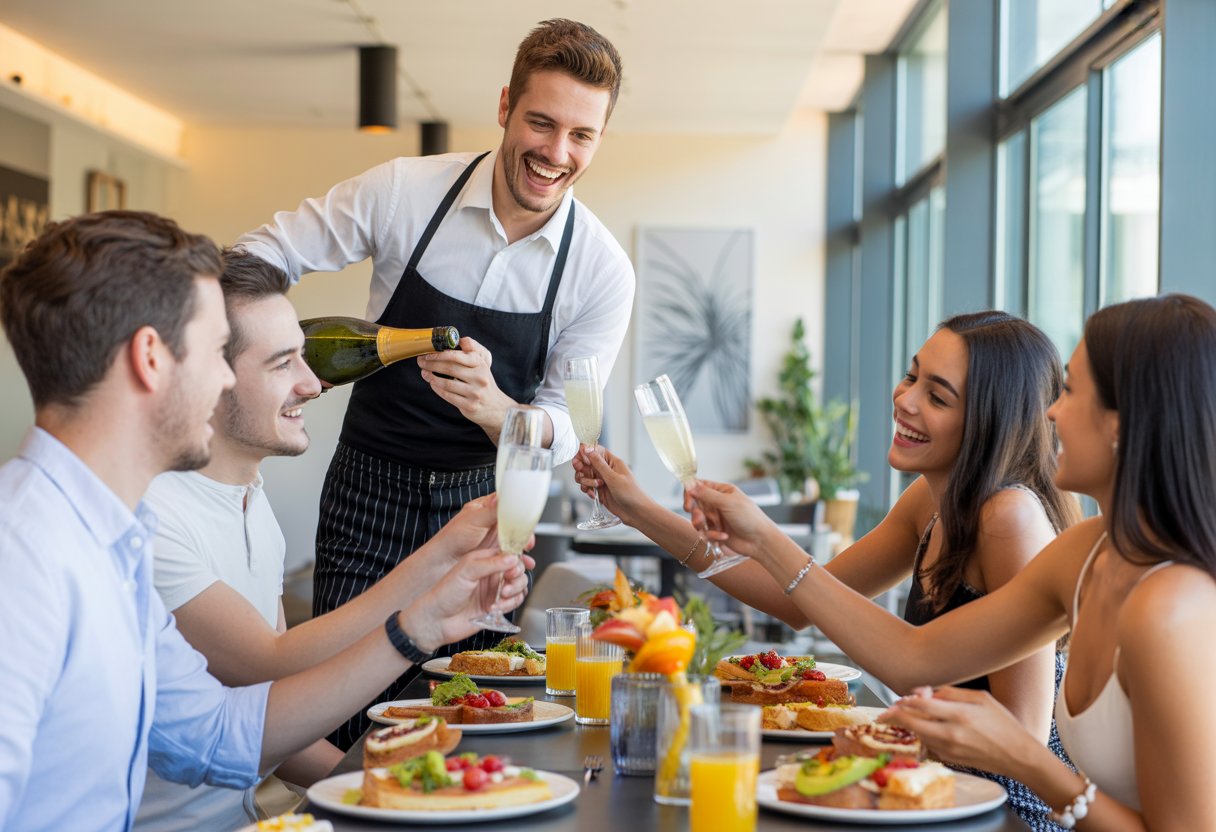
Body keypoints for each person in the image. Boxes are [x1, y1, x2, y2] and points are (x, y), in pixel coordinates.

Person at [0, 211, 529, 832]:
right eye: (212, 354)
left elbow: (218, 735)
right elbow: (264, 669)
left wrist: (422, 625)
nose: (225, 379)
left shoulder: (113, 536)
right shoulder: (23, 555)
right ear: (150, 358)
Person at [237, 18, 633, 746]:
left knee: (469, 714)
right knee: (347, 710)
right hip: (367, 490)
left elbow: (565, 424)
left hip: (483, 508)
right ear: (506, 103)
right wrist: (276, 356)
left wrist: (504, 413)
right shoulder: (405, 191)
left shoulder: (600, 269)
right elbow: (264, 254)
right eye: (541, 123)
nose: (556, 153)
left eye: (582, 136)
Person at [688, 295, 1216, 829]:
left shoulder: (1169, 608)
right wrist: (753, 536)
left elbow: (1027, 744)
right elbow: (913, 657)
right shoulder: (1086, 552)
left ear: (1123, 424)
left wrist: (1027, 759)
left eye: (1071, 392)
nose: (1050, 412)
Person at [575, 311, 1080, 829]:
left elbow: (1024, 736)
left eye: (938, 396)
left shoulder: (1009, 519)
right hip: (923, 792)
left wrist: (885, 745)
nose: (903, 400)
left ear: (991, 422)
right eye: (912, 377)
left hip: (1002, 811)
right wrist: (636, 509)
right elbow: (798, 602)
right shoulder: (927, 503)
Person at [135, 250, 516, 830]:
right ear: (210, 376)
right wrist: (424, 612)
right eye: (284, 363)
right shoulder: (152, 517)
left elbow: (277, 713)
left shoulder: (252, 504)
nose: (315, 384)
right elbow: (265, 664)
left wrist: (394, 789)